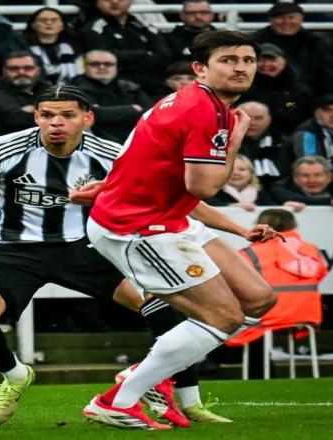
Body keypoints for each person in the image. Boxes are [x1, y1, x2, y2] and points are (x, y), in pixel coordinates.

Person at [0, 85, 227, 429]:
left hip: (85, 247)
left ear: (87, 118)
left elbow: (172, 197)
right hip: (11, 248)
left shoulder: (112, 154)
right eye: (47, 115)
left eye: (67, 115)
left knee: (166, 306)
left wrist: (238, 228)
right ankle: (16, 375)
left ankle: (189, 402)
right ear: (36, 117)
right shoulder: (0, 149)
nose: (56, 123)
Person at [74, 30, 282, 430]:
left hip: (171, 218)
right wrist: (234, 144)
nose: (241, 67)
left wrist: (238, 229)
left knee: (258, 299)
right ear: (200, 68)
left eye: (248, 60)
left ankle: (150, 372)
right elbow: (202, 187)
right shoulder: (206, 112)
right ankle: (118, 400)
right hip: (137, 227)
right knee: (222, 316)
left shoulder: (191, 101)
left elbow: (150, 164)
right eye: (228, 60)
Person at [227, 208, 328, 379]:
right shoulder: (311, 249)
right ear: (293, 225)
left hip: (267, 314)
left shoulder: (250, 252)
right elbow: (321, 274)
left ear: (259, 225)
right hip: (307, 314)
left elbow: (236, 283)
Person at [78, 0, 171, 96]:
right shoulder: (93, 29)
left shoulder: (144, 26)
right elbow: (107, 59)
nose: (114, 1)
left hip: (154, 86)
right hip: (117, 90)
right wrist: (144, 54)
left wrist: (126, 57)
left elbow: (164, 56)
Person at [70, 50, 154, 143]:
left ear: (116, 67)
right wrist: (132, 109)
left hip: (136, 137)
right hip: (99, 142)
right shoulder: (76, 88)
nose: (102, 67)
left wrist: (108, 113)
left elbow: (151, 112)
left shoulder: (129, 86)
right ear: (85, 66)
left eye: (108, 64)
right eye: (95, 64)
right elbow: (93, 115)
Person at [252, 3, 333, 97]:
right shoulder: (255, 41)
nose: (286, 22)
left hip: (309, 96)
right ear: (271, 20)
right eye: (280, 18)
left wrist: (328, 99)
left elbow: (327, 74)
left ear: (301, 19)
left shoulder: (315, 42)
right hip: (264, 94)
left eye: (291, 17)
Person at [238, 42, 315, 134]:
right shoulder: (241, 88)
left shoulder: (300, 91)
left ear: (284, 62)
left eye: (272, 60)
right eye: (261, 60)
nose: (266, 64)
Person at [236, 101, 293, 191]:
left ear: (268, 120)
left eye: (258, 118)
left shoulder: (283, 143)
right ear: (236, 118)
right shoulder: (223, 142)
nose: (252, 123)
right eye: (247, 118)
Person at [0, 51, 51, 135]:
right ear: (4, 71)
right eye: (13, 69)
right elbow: (13, 119)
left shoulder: (49, 89)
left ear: (38, 70)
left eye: (28, 68)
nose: (21, 72)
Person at [22, 7, 83, 85]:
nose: (48, 23)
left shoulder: (74, 47)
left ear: (63, 25)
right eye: (43, 20)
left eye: (54, 20)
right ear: (33, 25)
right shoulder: (23, 47)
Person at [205, 154, 276, 211]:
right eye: (231, 169)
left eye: (242, 169)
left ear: (251, 173)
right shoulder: (212, 194)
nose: (236, 173)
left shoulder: (263, 194)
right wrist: (230, 206)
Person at [290, 94, 333, 169]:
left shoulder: (329, 129)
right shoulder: (306, 133)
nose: (332, 115)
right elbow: (311, 167)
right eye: (327, 111)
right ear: (317, 113)